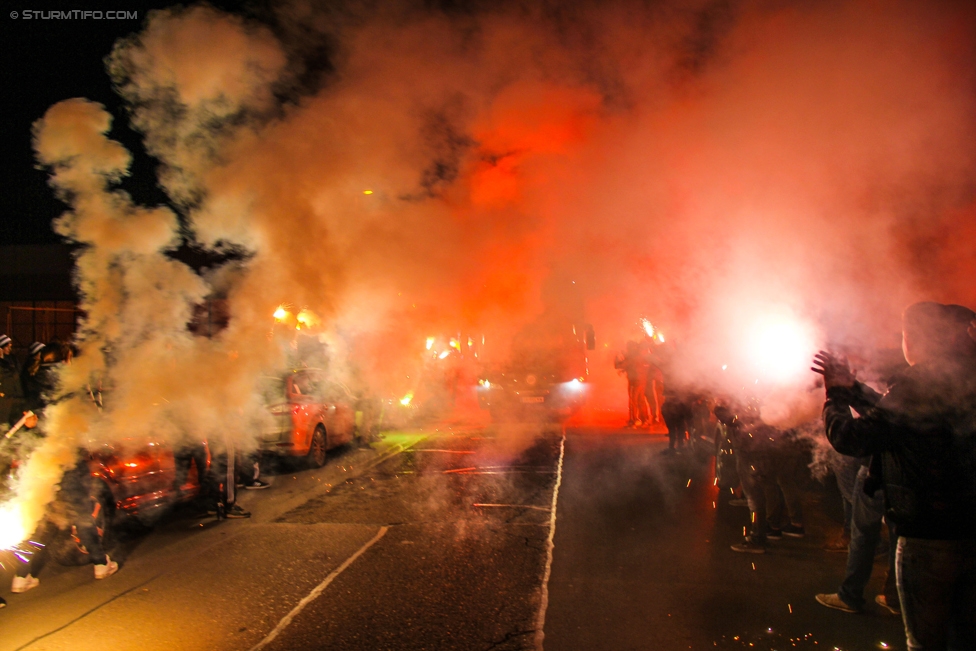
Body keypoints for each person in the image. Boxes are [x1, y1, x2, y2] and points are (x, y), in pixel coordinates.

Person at [814, 302, 976, 651]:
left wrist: (836, 394)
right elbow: (900, 417)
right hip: (969, 528)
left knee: (925, 641)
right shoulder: (964, 378)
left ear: (918, 339)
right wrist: (854, 387)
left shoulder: (918, 383)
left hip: (929, 536)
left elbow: (851, 438)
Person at [615, 341, 649, 427]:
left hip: (635, 381)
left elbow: (619, 365)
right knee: (641, 400)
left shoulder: (632, 357)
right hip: (642, 380)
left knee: (633, 400)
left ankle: (633, 420)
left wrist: (617, 356)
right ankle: (645, 420)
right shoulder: (640, 356)